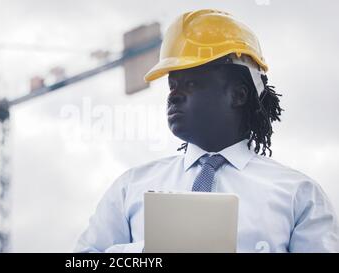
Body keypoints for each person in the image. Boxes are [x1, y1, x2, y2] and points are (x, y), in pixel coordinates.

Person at [74, 9, 339, 253]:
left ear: (238, 94)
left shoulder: (298, 194)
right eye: (172, 85)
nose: (174, 96)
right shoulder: (130, 187)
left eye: (191, 83)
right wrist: (147, 253)